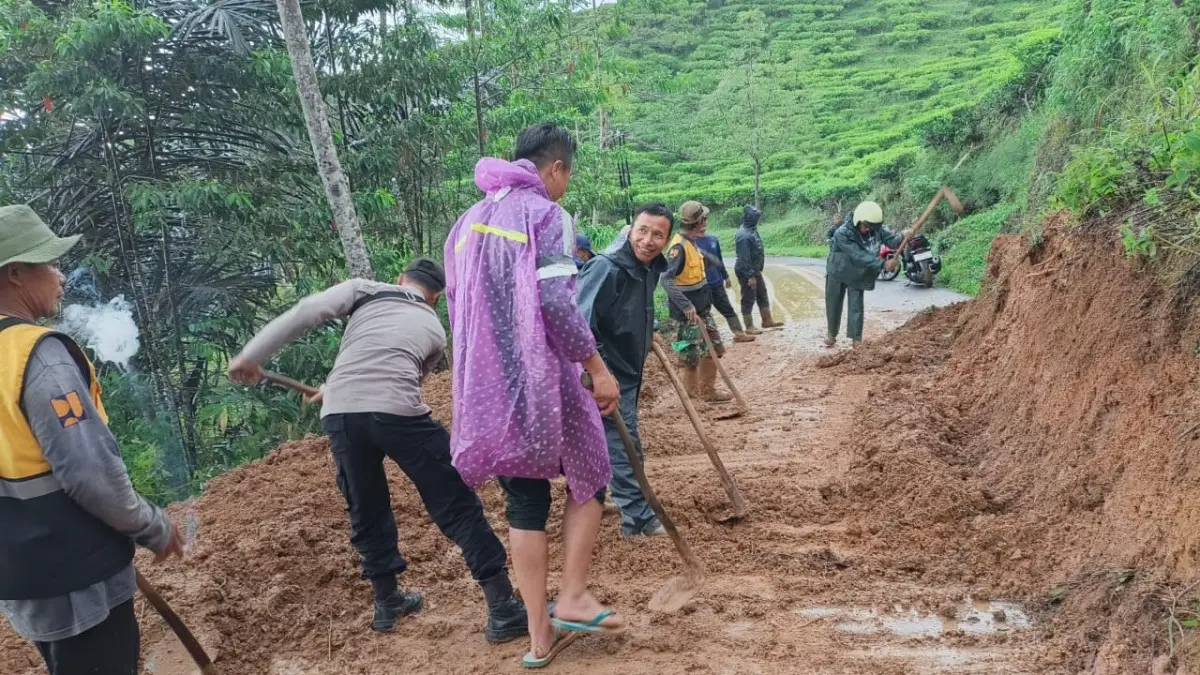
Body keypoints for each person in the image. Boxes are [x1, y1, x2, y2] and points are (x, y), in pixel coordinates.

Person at [227, 258, 528, 641]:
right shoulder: (435, 329)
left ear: (401, 279)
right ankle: (502, 608)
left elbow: (307, 310)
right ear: (435, 298)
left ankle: (388, 602)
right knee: (455, 502)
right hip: (397, 412)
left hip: (340, 415)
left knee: (365, 505)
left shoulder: (364, 290)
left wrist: (252, 355)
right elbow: (400, 379)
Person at [443, 122, 626, 669]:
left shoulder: (469, 220)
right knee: (591, 473)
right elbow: (555, 303)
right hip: (542, 377)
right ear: (556, 168)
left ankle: (538, 636)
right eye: (566, 173)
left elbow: (457, 300)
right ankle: (571, 595)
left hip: (486, 385)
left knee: (523, 499)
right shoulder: (546, 213)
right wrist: (597, 368)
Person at [0, 205, 183, 675]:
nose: (61, 276)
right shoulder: (40, 358)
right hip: (76, 574)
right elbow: (91, 475)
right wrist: (153, 527)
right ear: (17, 273)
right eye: (50, 263)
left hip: (20, 573)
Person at [576, 203, 673, 538]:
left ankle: (604, 498)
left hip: (628, 370)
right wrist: (601, 374)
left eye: (657, 234)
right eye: (642, 230)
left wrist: (650, 329)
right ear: (631, 229)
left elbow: (634, 307)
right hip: (605, 374)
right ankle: (639, 520)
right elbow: (580, 325)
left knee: (617, 442)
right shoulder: (606, 267)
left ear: (667, 239)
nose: (647, 240)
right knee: (624, 443)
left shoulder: (650, 268)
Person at [662, 201, 731, 403]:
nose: (706, 222)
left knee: (713, 351)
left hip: (702, 312)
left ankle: (707, 392)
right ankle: (691, 401)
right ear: (699, 221)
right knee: (689, 360)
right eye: (705, 219)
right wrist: (686, 305)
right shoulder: (678, 247)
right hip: (685, 317)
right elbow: (665, 279)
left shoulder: (692, 242)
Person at [825, 201, 911, 348]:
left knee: (856, 306)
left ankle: (856, 340)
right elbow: (858, 255)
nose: (869, 230)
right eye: (866, 227)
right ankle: (831, 334)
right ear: (858, 221)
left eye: (872, 228)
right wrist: (883, 264)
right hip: (838, 271)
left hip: (858, 272)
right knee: (833, 304)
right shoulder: (842, 233)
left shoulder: (875, 228)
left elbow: (892, 241)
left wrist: (904, 235)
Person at [693, 209, 755, 343]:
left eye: (705, 220)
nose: (704, 223)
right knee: (703, 314)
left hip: (716, 283)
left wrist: (725, 276)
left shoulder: (713, 239)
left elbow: (718, 259)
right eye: (701, 220)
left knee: (727, 308)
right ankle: (706, 341)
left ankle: (739, 333)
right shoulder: (690, 243)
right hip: (700, 285)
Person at [734, 205, 784, 332]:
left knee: (762, 293)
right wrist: (750, 276)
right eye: (756, 216)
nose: (758, 218)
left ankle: (767, 320)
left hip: (754, 269)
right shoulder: (743, 235)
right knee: (748, 297)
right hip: (746, 271)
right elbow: (744, 258)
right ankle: (749, 326)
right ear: (750, 218)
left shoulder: (751, 230)